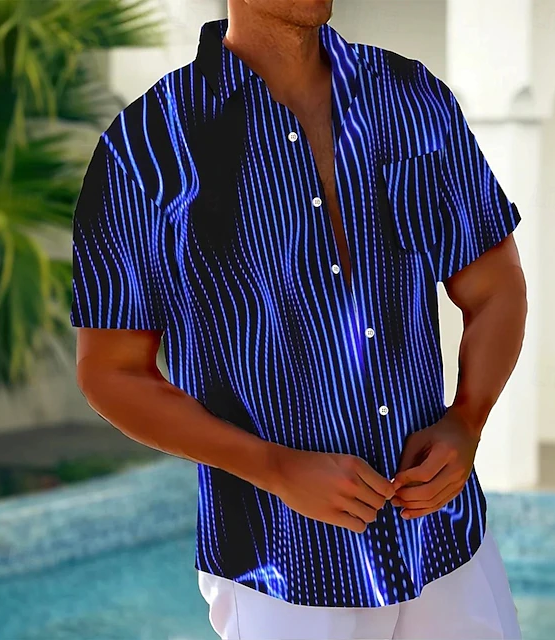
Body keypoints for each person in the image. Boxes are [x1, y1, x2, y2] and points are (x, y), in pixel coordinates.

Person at [70, 1, 527, 638]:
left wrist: (468, 418)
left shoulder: (412, 96)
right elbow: (110, 372)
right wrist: (275, 468)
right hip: (282, 566)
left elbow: (495, 285)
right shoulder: (144, 146)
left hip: (444, 541)